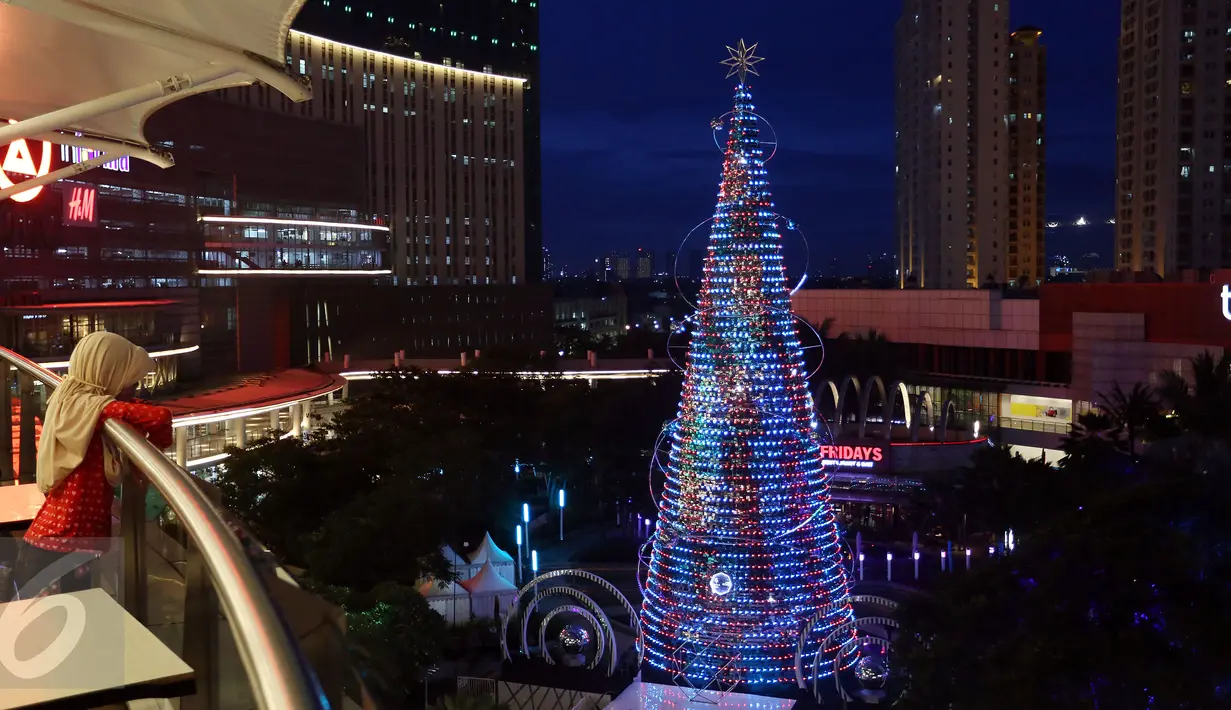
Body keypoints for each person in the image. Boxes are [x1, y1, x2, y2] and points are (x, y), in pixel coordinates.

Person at [12, 331, 173, 599]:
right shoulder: (94, 408)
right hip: (59, 549)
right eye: (130, 380)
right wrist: (148, 454)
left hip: (58, 543)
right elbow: (160, 417)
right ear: (108, 374)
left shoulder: (75, 400)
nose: (134, 388)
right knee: (64, 631)